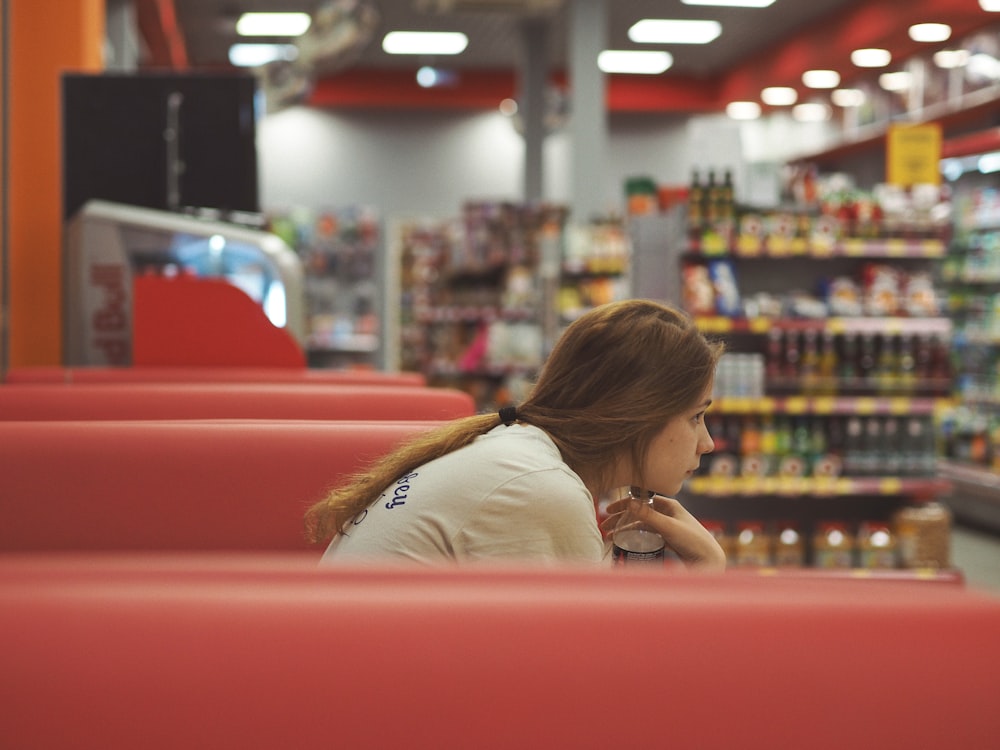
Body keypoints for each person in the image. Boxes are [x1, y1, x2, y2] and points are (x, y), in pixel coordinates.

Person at [306, 298, 726, 571]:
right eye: (695, 417)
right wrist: (708, 568)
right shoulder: (541, 489)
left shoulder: (518, 451)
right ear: (638, 413)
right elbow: (604, 674)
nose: (706, 443)